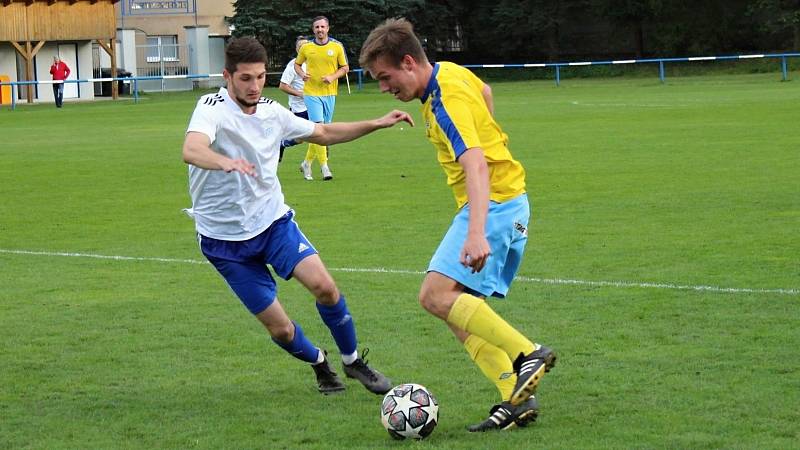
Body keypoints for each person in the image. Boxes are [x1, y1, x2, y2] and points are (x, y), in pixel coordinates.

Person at [182, 36, 412, 396]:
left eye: (259, 77)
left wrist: (377, 123)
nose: (254, 85)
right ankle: (320, 362)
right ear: (227, 76)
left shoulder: (273, 112)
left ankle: (352, 361)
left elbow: (321, 133)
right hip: (223, 241)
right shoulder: (210, 107)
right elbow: (192, 148)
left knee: (326, 287)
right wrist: (223, 161)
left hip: (273, 223)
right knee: (281, 331)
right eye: (245, 78)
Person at [359, 18, 557, 432]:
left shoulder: (444, 100)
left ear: (409, 62)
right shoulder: (449, 72)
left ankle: (527, 354)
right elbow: (485, 92)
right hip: (507, 200)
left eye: (385, 77)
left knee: (433, 296)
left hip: (495, 205)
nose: (383, 87)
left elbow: (475, 163)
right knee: (456, 310)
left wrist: (476, 230)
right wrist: (489, 130)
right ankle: (515, 398)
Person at [294, 16, 349, 181]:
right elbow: (297, 65)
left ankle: (306, 163)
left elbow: (345, 67)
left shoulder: (337, 47)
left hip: (330, 93)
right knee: (319, 127)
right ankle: (325, 168)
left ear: (328, 28)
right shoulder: (307, 48)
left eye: (322, 27)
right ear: (313, 30)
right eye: (317, 27)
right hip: (311, 93)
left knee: (322, 132)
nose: (320, 30)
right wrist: (303, 74)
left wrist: (333, 77)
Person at [277, 36, 310, 162]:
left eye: (305, 45)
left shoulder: (315, 61)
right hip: (299, 108)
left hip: (315, 104)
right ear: (297, 49)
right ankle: (281, 144)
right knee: (300, 139)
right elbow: (282, 86)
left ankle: (320, 165)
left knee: (320, 133)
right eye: (300, 46)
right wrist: (300, 94)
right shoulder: (293, 65)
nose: (303, 48)